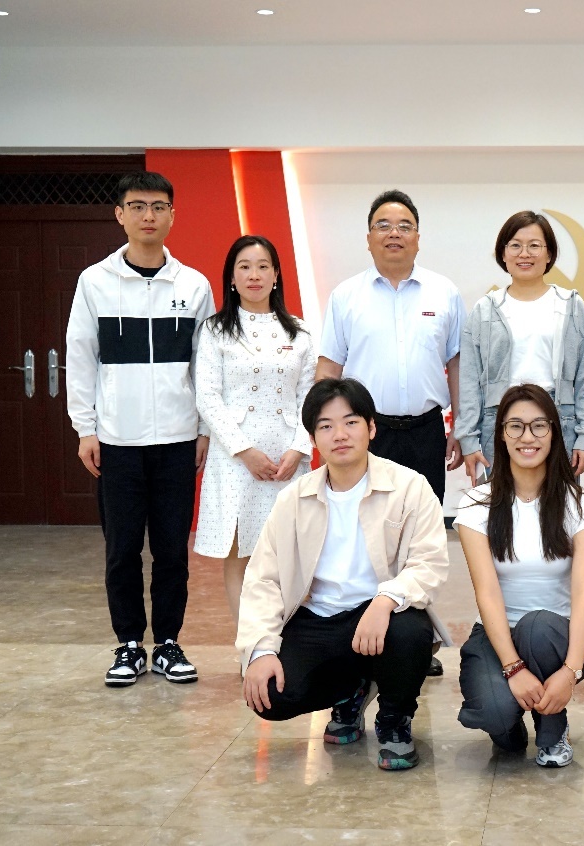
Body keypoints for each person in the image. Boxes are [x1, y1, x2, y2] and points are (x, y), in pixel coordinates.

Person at [237, 378, 450, 771]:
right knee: (270, 694)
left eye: (351, 422)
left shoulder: (409, 487)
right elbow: (264, 579)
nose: (339, 434)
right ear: (313, 438)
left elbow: (429, 563)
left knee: (409, 633)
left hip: (382, 616)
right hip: (318, 618)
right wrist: (261, 650)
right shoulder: (293, 499)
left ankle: (394, 719)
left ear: (371, 428)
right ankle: (350, 691)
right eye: (326, 426)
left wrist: (385, 600)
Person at [66, 171, 215, 687]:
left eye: (158, 206)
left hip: (177, 441)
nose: (148, 216)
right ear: (120, 214)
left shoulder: (194, 285)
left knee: (173, 550)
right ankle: (129, 644)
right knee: (122, 550)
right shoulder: (95, 282)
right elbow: (80, 358)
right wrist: (85, 429)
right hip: (117, 442)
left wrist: (203, 429)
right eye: (137, 206)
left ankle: (168, 642)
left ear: (172, 214)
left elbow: (205, 365)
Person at [317, 189, 465, 677]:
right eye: (383, 225)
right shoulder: (346, 296)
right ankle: (363, 639)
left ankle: (415, 642)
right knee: (364, 538)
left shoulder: (444, 293)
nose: (394, 233)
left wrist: (461, 427)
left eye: (404, 226)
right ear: (368, 238)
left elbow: (458, 365)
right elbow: (329, 370)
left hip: (425, 430)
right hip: (367, 435)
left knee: (420, 540)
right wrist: (325, 434)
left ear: (418, 237)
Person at [454, 384, 584, 768]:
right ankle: (509, 726)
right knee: (494, 713)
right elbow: (487, 593)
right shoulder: (476, 504)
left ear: (554, 432)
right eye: (515, 426)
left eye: (539, 426)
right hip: (496, 636)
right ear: (501, 435)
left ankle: (553, 731)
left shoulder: (581, 504)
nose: (527, 437)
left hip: (557, 637)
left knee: (537, 627)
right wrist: (513, 668)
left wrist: (570, 671)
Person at [194, 235, 315, 622]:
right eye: (244, 267)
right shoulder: (215, 331)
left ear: (276, 275)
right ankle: (251, 644)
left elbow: (309, 398)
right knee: (241, 553)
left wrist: (299, 449)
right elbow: (207, 396)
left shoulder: (299, 332)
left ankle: (287, 641)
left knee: (289, 554)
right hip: (235, 459)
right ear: (231, 277)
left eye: (263, 267)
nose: (254, 275)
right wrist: (245, 452)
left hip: (287, 458)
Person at [458, 210, 584, 485]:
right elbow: (470, 381)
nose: (525, 254)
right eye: (515, 245)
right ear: (503, 254)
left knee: (559, 504)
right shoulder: (485, 309)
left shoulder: (570, 305)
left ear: (549, 254)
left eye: (534, 245)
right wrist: (469, 439)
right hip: (500, 424)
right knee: (501, 504)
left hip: (559, 422)